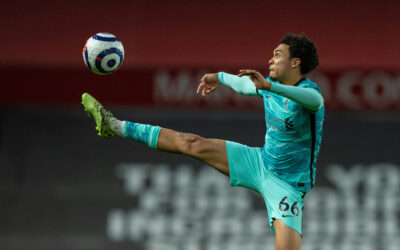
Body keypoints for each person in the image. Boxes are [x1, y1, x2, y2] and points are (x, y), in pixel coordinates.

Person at [82, 32, 324, 250]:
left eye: (278, 55)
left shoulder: (307, 92)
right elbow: (242, 84)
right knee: (191, 143)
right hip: (259, 162)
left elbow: (314, 101)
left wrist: (269, 86)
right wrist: (219, 77)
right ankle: (114, 125)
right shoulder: (270, 86)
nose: (271, 59)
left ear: (295, 63)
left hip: (287, 187)